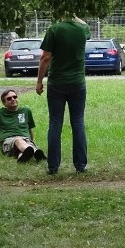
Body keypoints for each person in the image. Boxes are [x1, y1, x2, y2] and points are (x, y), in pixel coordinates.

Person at [36, 15, 90, 175]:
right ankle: (80, 165)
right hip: (77, 83)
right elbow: (85, 25)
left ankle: (53, 166)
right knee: (78, 122)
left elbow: (45, 57)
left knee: (55, 123)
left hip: (57, 83)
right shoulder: (82, 29)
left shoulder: (54, 29)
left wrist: (39, 81)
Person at [0, 89, 46, 162]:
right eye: (9, 98)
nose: (13, 99)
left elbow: (30, 129)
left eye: (15, 97)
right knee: (18, 140)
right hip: (8, 141)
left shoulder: (26, 111)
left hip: (25, 140)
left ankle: (22, 157)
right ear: (4, 103)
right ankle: (35, 152)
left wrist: (31, 141)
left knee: (22, 147)